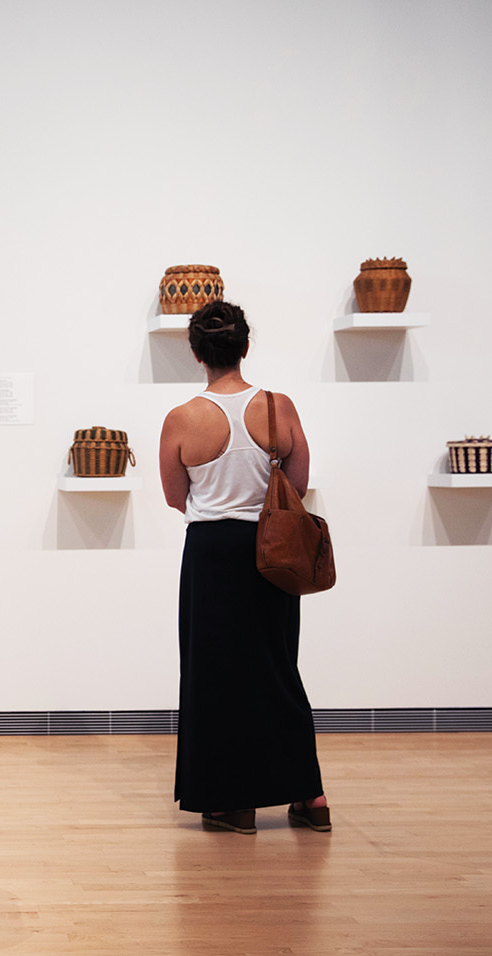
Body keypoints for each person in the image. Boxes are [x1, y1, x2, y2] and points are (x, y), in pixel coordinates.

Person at [157, 300, 330, 835]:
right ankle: (310, 798)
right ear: (245, 347)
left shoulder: (183, 418)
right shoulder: (279, 407)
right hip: (271, 549)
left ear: (195, 352)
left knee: (214, 677)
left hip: (211, 554)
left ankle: (231, 804)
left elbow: (173, 497)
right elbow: (297, 485)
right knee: (278, 669)